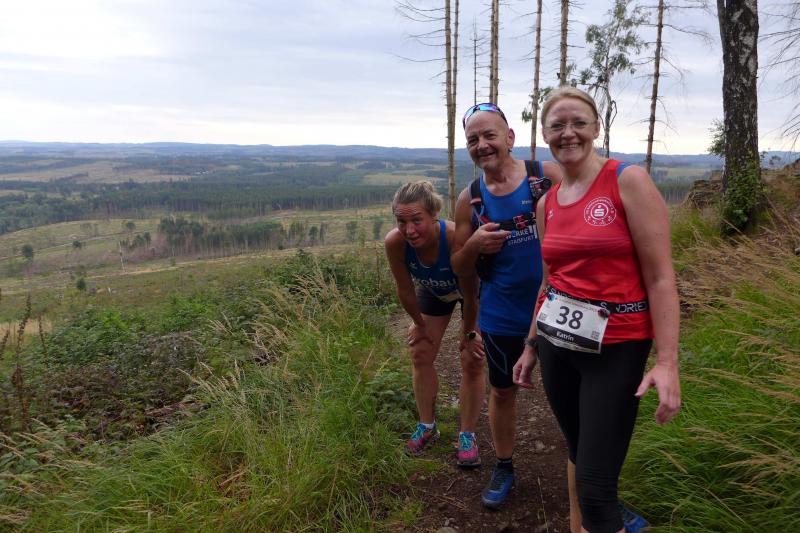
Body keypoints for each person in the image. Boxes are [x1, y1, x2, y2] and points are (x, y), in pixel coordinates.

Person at [512, 86, 681, 533]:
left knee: (595, 490)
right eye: (557, 125)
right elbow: (549, 283)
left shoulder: (627, 180)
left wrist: (667, 361)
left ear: (596, 128)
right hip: (557, 346)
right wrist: (530, 345)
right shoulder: (547, 203)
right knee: (578, 451)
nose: (568, 133)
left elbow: (661, 278)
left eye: (578, 123)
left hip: (617, 348)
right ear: (544, 134)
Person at [451, 103, 563, 509]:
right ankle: (503, 465)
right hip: (501, 312)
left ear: (510, 137)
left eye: (489, 135)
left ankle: (591, 478)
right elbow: (459, 266)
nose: (482, 145)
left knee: (572, 394)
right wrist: (475, 245)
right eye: (473, 140)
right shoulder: (471, 199)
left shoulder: (545, 177)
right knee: (501, 392)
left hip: (558, 306)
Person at [385, 180, 486, 467]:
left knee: (472, 358)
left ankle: (467, 435)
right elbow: (405, 289)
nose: (409, 230)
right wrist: (418, 323)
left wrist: (468, 332)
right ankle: (427, 426)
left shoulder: (454, 238)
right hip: (434, 290)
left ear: (434, 215)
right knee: (420, 351)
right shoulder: (395, 243)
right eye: (402, 221)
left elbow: (471, 294)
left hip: (474, 293)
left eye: (417, 220)